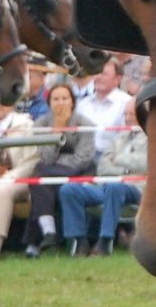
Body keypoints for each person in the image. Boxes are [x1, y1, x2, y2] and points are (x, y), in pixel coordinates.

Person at [59, 103, 144, 257]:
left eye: (133, 114)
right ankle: (80, 241)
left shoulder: (152, 138)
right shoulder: (119, 137)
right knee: (69, 189)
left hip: (136, 188)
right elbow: (103, 166)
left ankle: (105, 241)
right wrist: (126, 168)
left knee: (114, 187)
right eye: (127, 114)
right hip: (106, 186)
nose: (129, 118)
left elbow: (145, 163)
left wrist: (117, 159)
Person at [24, 83, 94, 258]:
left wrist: (58, 162)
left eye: (64, 98)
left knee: (39, 176)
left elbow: (83, 159)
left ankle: (36, 242)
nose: (60, 103)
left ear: (72, 101)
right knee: (43, 182)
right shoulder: (41, 124)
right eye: (55, 99)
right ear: (49, 103)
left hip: (78, 172)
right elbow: (45, 157)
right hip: (50, 172)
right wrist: (57, 131)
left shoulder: (84, 124)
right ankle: (48, 234)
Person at [0, 98, 37, 260]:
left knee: (3, 190)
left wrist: (4, 179)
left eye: (1, 101)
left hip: (19, 180)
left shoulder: (25, 125)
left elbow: (31, 162)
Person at [74, 58, 129, 157]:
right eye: (97, 73)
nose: (99, 77)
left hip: (110, 157)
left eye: (104, 74)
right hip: (82, 156)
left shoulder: (126, 104)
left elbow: (125, 139)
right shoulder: (84, 103)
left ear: (118, 79)